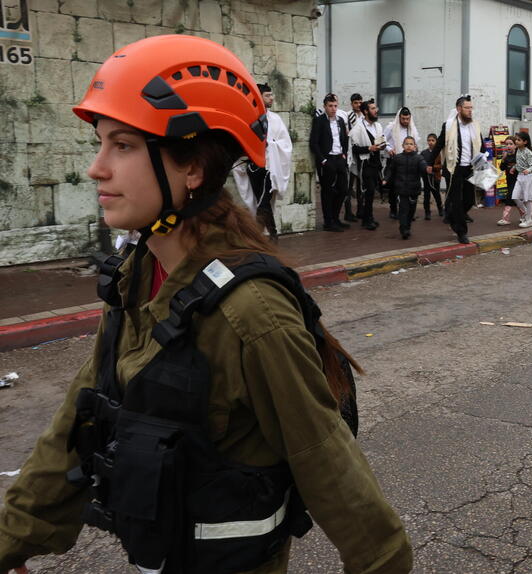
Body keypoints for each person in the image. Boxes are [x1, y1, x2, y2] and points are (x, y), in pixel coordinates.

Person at [0, 35, 412, 574]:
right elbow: (79, 419)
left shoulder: (252, 314)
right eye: (100, 144)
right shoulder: (137, 275)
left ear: (192, 168)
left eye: (122, 146)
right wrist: (11, 541)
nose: (97, 168)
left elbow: (329, 464)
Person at [231, 83, 293, 241]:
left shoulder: (276, 119)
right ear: (259, 97)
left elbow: (285, 143)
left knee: (264, 201)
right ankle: (273, 234)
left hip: (269, 168)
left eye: (272, 95)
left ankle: (256, 236)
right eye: (268, 95)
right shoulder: (248, 117)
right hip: (253, 167)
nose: (271, 98)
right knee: (261, 202)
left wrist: (270, 144)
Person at [431, 95, 483, 244]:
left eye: (471, 108)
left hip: (470, 167)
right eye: (467, 108)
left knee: (468, 200)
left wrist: (485, 159)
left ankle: (452, 216)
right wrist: (429, 162)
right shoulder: (448, 126)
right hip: (454, 168)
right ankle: (461, 232)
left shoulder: (474, 125)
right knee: (457, 200)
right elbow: (439, 144)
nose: (470, 111)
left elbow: (480, 144)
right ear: (459, 109)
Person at [309, 93, 350, 232]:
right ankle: (328, 221)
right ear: (325, 106)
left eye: (335, 106)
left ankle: (336, 217)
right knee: (327, 191)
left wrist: (344, 154)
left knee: (343, 189)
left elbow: (345, 139)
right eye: (330, 106)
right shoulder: (319, 121)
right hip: (328, 160)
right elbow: (314, 143)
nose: (333, 108)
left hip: (339, 158)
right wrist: (323, 160)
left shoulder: (339, 121)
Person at [382, 136, 428, 240]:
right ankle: (403, 229)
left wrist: (427, 169)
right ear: (403, 146)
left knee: (411, 211)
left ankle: (408, 226)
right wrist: (386, 179)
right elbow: (391, 170)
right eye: (406, 144)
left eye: (411, 144)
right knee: (403, 210)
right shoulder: (398, 158)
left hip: (414, 189)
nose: (409, 146)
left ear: (415, 146)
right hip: (401, 188)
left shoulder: (418, 158)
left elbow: (423, 166)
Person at [350, 98, 386, 230]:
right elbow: (353, 148)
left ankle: (369, 217)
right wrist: (368, 149)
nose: (376, 110)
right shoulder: (358, 128)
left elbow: (381, 140)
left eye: (376, 108)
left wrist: (382, 146)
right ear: (365, 111)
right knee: (368, 190)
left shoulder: (378, 126)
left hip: (376, 163)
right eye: (372, 108)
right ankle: (366, 220)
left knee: (372, 191)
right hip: (365, 164)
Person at [384, 107, 420, 219]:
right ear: (399, 118)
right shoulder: (391, 127)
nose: (405, 121)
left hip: (409, 161)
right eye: (403, 119)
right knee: (394, 187)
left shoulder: (412, 129)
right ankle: (393, 210)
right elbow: (382, 140)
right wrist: (389, 149)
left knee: (408, 186)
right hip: (395, 159)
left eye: (407, 119)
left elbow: (415, 142)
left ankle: (407, 212)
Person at [510, 131, 532, 228]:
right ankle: (527, 214)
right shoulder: (518, 150)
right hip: (520, 176)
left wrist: (528, 170)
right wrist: (514, 167)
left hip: (528, 177)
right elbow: (520, 163)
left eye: (519, 140)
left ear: (525, 142)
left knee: (528, 199)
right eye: (516, 139)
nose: (516, 141)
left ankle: (529, 220)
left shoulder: (528, 152)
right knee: (515, 197)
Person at [496, 136, 525, 226]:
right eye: (506, 144)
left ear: (515, 145)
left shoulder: (519, 155)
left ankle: (505, 219)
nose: (508, 146)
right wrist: (503, 159)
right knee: (516, 200)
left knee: (510, 197)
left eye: (511, 144)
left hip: (518, 180)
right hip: (509, 180)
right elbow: (502, 168)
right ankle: (525, 216)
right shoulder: (506, 155)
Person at [344, 93, 363, 222]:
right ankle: (348, 212)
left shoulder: (364, 116)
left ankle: (360, 210)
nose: (358, 105)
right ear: (352, 104)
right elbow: (347, 133)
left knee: (361, 184)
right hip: (351, 152)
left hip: (361, 153)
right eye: (356, 103)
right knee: (349, 184)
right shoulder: (348, 116)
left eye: (360, 102)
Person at [420, 133, 444, 220]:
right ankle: (427, 212)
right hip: (426, 178)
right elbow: (421, 164)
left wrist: (432, 168)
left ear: (436, 141)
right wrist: (424, 168)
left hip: (435, 178)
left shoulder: (439, 153)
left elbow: (441, 165)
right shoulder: (423, 153)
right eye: (429, 140)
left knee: (437, 194)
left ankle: (440, 209)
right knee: (426, 196)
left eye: (433, 140)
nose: (430, 142)